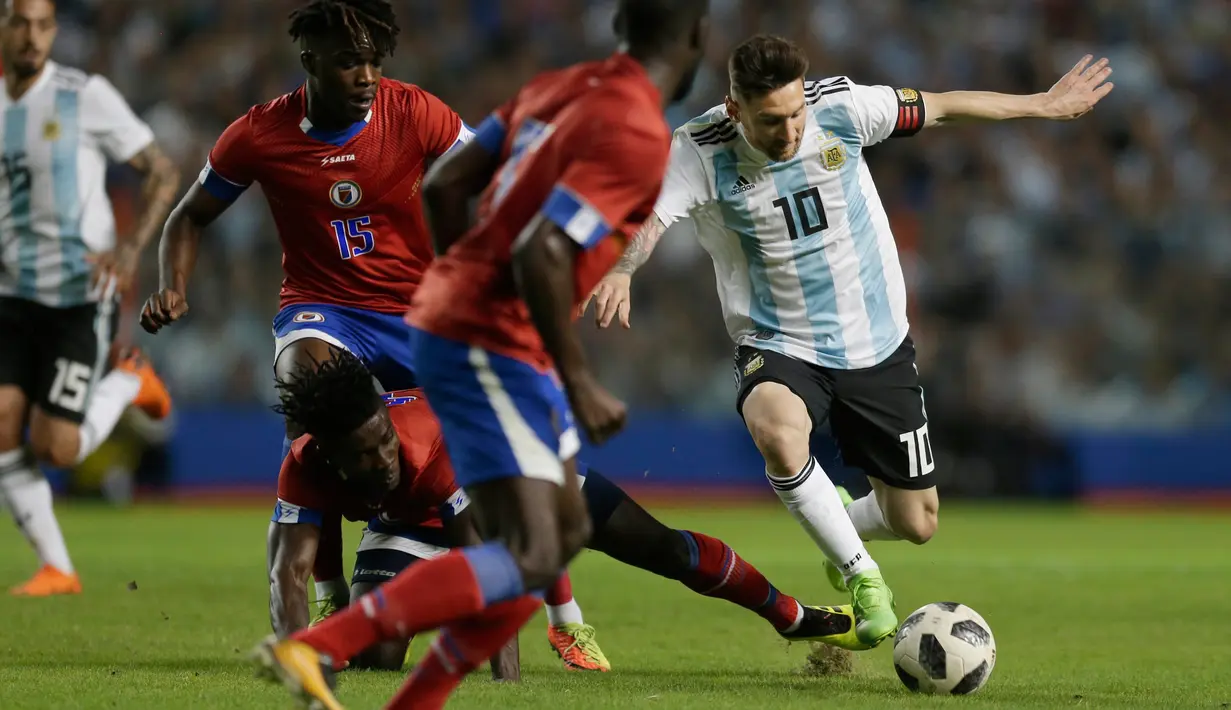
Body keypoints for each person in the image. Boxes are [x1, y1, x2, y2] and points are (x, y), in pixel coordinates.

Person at [254, 1, 712, 707]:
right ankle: (319, 644)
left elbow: (447, 184)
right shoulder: (635, 131)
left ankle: (403, 689)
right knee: (529, 547)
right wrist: (577, 376)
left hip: (457, 321)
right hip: (495, 339)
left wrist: (450, 281)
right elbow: (545, 250)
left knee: (548, 542)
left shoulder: (558, 87)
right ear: (696, 40)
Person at [584, 34, 1115, 635]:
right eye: (769, 121)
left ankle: (844, 518)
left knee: (917, 522)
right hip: (778, 341)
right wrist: (624, 268)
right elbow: (650, 219)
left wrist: (1041, 105)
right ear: (735, 110)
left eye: (793, 115)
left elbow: (940, 105)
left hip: (876, 344)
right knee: (777, 431)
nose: (787, 133)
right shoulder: (699, 149)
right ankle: (863, 577)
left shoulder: (842, 108)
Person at [260, 352, 862, 695]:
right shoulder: (303, 465)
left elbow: (494, 569)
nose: (383, 459)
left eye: (385, 442)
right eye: (364, 456)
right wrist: (298, 658)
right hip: (412, 524)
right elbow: (288, 569)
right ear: (330, 454)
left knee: (667, 551)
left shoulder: (439, 442)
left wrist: (508, 687)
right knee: (378, 655)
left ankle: (789, 614)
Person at [0, 0, 178, 596]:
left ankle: (130, 377)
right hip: (10, 296)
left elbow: (161, 171)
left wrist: (130, 247)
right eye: (19, 22)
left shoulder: (83, 95)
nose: (32, 36)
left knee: (57, 447)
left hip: (80, 295)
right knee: (0, 424)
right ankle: (58, 567)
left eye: (43, 24)